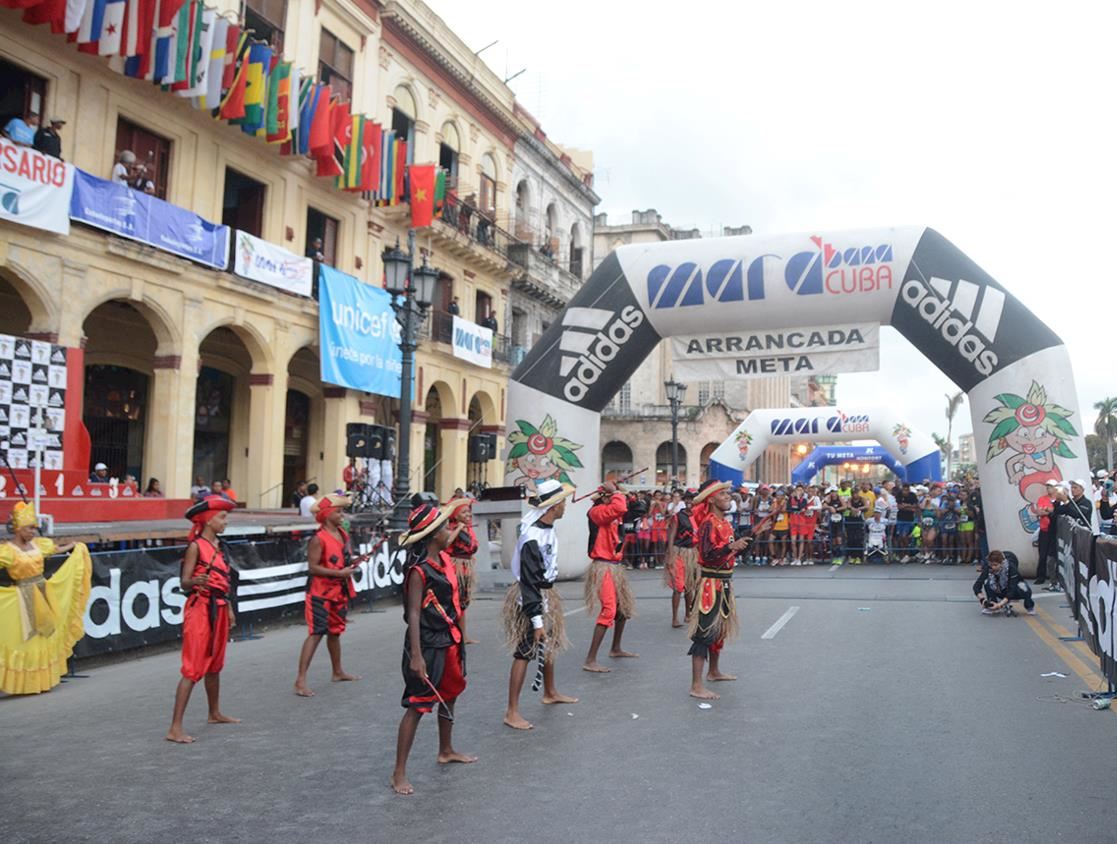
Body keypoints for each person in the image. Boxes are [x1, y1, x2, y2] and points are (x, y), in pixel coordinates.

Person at [391, 503, 476, 794]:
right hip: (427, 644)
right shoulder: (419, 571)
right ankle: (398, 773)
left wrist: (460, 639)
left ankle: (446, 749)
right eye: (442, 528)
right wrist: (416, 655)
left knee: (449, 695)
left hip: (449, 640)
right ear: (432, 535)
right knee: (417, 706)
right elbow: (413, 614)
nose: (447, 529)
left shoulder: (444, 559)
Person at [502, 478, 578, 730]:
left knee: (550, 643)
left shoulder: (546, 528)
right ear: (553, 506)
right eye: (563, 502)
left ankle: (550, 691)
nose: (565, 506)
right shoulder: (532, 537)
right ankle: (511, 711)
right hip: (530, 596)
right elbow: (529, 582)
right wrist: (536, 620)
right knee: (525, 650)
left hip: (545, 593)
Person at [166, 496, 240, 743]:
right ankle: (175, 727)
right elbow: (184, 581)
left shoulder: (220, 546)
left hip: (218, 607)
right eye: (222, 517)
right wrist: (195, 581)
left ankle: (214, 712)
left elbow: (225, 583)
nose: (225, 521)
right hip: (200, 609)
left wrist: (228, 608)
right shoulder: (196, 546)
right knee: (193, 668)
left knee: (215, 664)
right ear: (208, 520)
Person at [0, 502, 89, 694]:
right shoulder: (7, 550)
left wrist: (74, 546)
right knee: (24, 641)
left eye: (34, 528)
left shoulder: (40, 545)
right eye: (29, 528)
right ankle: (24, 683)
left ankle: (40, 682)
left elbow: (55, 549)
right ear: (18, 529)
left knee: (43, 638)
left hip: (43, 593)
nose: (33, 531)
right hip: (20, 598)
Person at [688, 479, 752, 700]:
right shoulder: (708, 523)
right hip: (710, 584)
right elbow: (707, 554)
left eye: (728, 494)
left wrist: (741, 546)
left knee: (720, 629)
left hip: (725, 582)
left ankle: (714, 671)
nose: (728, 497)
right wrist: (730, 547)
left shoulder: (725, 523)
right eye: (723, 494)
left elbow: (727, 553)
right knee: (704, 632)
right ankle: (696, 685)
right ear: (712, 498)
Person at [293, 494, 361, 697]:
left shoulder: (342, 534)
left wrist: (352, 563)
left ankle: (337, 671)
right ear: (327, 514)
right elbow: (313, 568)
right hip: (320, 593)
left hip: (338, 591)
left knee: (335, 632)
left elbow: (341, 559)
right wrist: (339, 573)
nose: (342, 515)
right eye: (338, 512)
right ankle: (300, 680)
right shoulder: (318, 538)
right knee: (316, 633)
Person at [583, 481, 636, 672]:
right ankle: (590, 659)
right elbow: (620, 506)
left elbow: (637, 508)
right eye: (610, 496)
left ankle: (615, 648)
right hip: (603, 566)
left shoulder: (614, 513)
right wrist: (616, 493)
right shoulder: (596, 512)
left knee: (623, 609)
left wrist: (626, 493)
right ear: (604, 497)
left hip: (615, 566)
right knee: (608, 610)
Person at [445, 496, 479, 644]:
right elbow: (446, 543)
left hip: (466, 566)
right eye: (464, 513)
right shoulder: (450, 528)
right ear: (455, 515)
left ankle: (463, 636)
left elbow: (474, 546)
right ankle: (453, 635)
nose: (468, 515)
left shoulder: (469, 527)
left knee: (463, 602)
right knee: (455, 601)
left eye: (469, 512)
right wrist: (458, 528)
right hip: (454, 566)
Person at [664, 490, 697, 627]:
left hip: (693, 553)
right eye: (688, 499)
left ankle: (688, 614)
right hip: (679, 553)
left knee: (690, 586)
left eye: (693, 499)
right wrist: (670, 554)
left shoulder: (699, 515)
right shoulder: (678, 516)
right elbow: (671, 536)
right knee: (678, 587)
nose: (690, 501)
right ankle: (674, 618)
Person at [973, 550, 1034, 615]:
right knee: (987, 582)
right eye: (991, 565)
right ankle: (992, 602)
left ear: (1002, 563)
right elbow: (976, 586)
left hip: (1013, 590)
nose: (993, 567)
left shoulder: (1011, 568)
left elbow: (1012, 589)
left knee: (1024, 588)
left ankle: (1029, 606)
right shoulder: (988, 567)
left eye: (995, 565)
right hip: (999, 589)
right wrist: (983, 600)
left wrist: (1000, 604)